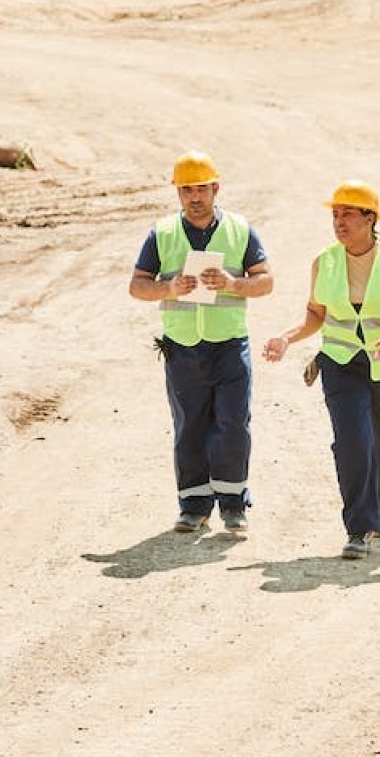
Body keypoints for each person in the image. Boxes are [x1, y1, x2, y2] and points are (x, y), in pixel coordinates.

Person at [262, 180, 380, 560]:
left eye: (348, 213)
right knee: (352, 440)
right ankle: (360, 527)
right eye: (335, 214)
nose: (339, 221)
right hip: (340, 363)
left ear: (370, 218)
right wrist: (288, 338)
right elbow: (316, 315)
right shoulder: (326, 260)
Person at [129, 151, 273, 537]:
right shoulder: (162, 233)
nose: (194, 197)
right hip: (183, 347)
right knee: (189, 426)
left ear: (216, 188)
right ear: (178, 192)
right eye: (186, 189)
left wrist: (232, 283)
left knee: (233, 423)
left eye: (201, 189)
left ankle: (232, 503)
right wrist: (169, 287)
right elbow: (137, 286)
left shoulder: (241, 230)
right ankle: (193, 507)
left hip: (229, 343)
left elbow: (265, 281)